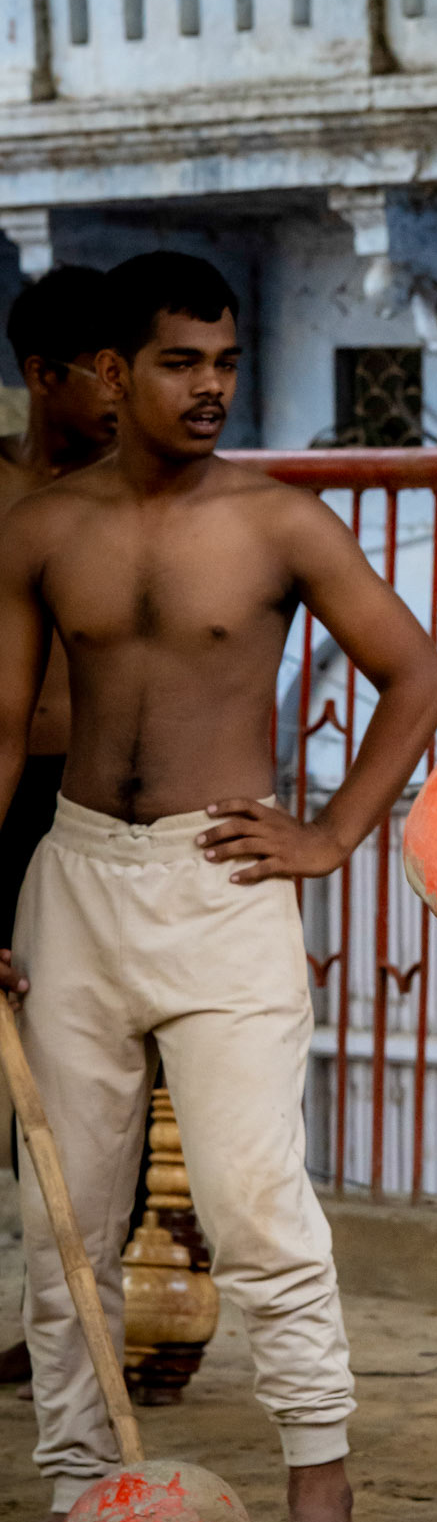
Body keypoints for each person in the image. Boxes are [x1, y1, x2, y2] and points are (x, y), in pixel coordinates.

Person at [0, 250, 437, 1522]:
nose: (209, 389)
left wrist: (330, 833)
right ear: (108, 375)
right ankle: (80, 1488)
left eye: (224, 362)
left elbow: (415, 678)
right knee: (62, 1213)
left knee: (256, 1199)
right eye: (178, 363)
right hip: (75, 877)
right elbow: (3, 731)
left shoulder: (278, 524)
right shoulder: (39, 530)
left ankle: (321, 1485)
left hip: (227, 882)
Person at [0, 266, 119, 1388]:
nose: (129, 391)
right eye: (106, 369)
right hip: (6, 797)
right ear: (44, 378)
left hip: (102, 818)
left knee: (94, 1074)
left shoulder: (149, 497)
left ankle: (87, 1322)